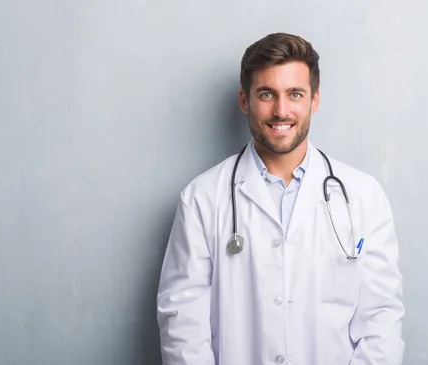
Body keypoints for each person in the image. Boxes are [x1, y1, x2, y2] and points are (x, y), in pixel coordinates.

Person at [156, 32, 405, 365]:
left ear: (314, 100)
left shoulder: (362, 196)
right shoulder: (202, 199)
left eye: (295, 94)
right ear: (245, 101)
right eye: (267, 94)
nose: (281, 110)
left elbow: (381, 320)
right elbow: (182, 324)